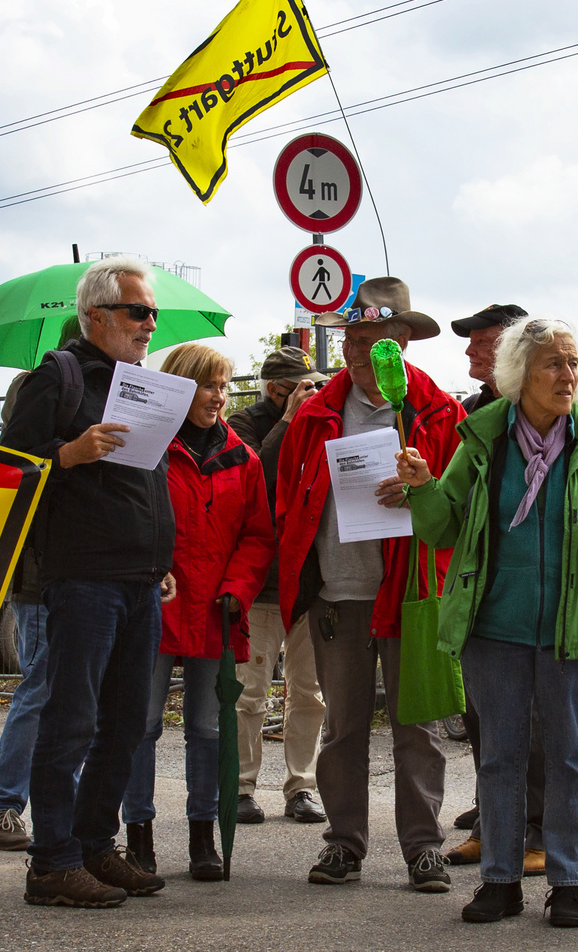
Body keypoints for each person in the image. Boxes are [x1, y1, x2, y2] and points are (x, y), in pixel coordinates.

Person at [403, 317, 578, 927]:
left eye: (572, 362)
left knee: (568, 759)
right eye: (552, 364)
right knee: (500, 759)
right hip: (495, 628)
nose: (568, 376)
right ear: (520, 376)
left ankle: (567, 882)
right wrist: (423, 487)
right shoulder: (483, 439)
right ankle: (500, 881)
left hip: (576, 630)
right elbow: (443, 528)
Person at [276, 277, 465, 893]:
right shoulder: (314, 413)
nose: (358, 350)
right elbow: (288, 498)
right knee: (343, 728)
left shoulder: (441, 413)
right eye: (351, 337)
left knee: (419, 727)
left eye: (374, 338)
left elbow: (462, 507)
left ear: (402, 341)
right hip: (339, 590)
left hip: (413, 592)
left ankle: (422, 849)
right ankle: (344, 844)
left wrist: (423, 484)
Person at [1, 256, 178, 909]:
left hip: (138, 579)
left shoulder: (143, 384)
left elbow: (147, 484)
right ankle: (52, 863)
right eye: (138, 311)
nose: (149, 323)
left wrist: (161, 560)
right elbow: (9, 469)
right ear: (97, 315)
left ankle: (95, 847)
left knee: (127, 721)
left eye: (152, 312)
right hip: (81, 580)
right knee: (71, 719)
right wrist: (66, 455)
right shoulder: (60, 376)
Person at [124, 343, 275, 879]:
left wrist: (237, 586)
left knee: (209, 730)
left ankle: (202, 836)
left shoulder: (243, 457)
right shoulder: (147, 447)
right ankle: (137, 834)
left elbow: (258, 536)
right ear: (180, 386)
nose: (218, 396)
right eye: (208, 385)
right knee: (139, 726)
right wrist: (148, 568)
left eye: (224, 385)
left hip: (216, 608)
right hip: (156, 604)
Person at [0, 323, 80, 852]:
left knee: (68, 696)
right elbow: (26, 470)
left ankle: (49, 808)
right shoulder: (44, 389)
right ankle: (2, 804)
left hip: (78, 573)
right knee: (41, 692)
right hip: (43, 576)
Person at [442, 303, 535, 869]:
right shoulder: (473, 416)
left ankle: (540, 833)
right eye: (471, 342)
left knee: (540, 725)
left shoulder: (551, 414)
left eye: (484, 343)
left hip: (539, 593)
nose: (471, 352)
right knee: (484, 715)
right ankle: (491, 820)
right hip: (481, 589)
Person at [226, 345, 327, 826]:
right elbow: (255, 480)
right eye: (302, 387)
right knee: (250, 692)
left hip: (311, 579)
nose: (312, 395)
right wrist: (288, 422)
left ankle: (302, 787)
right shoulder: (245, 424)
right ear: (276, 389)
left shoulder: (325, 422)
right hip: (263, 581)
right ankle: (242, 786)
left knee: (308, 693)